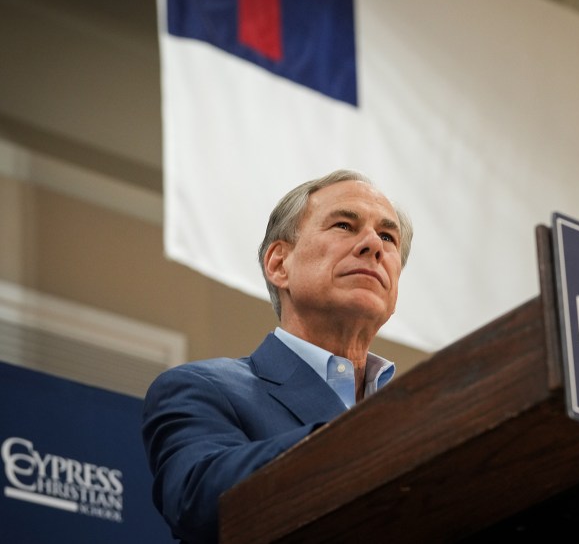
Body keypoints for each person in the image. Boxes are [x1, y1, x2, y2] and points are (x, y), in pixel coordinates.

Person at [141, 170, 412, 543]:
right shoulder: (202, 388)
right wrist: (360, 437)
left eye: (387, 236)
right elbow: (198, 501)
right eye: (345, 225)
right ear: (279, 264)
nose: (373, 245)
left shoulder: (411, 413)